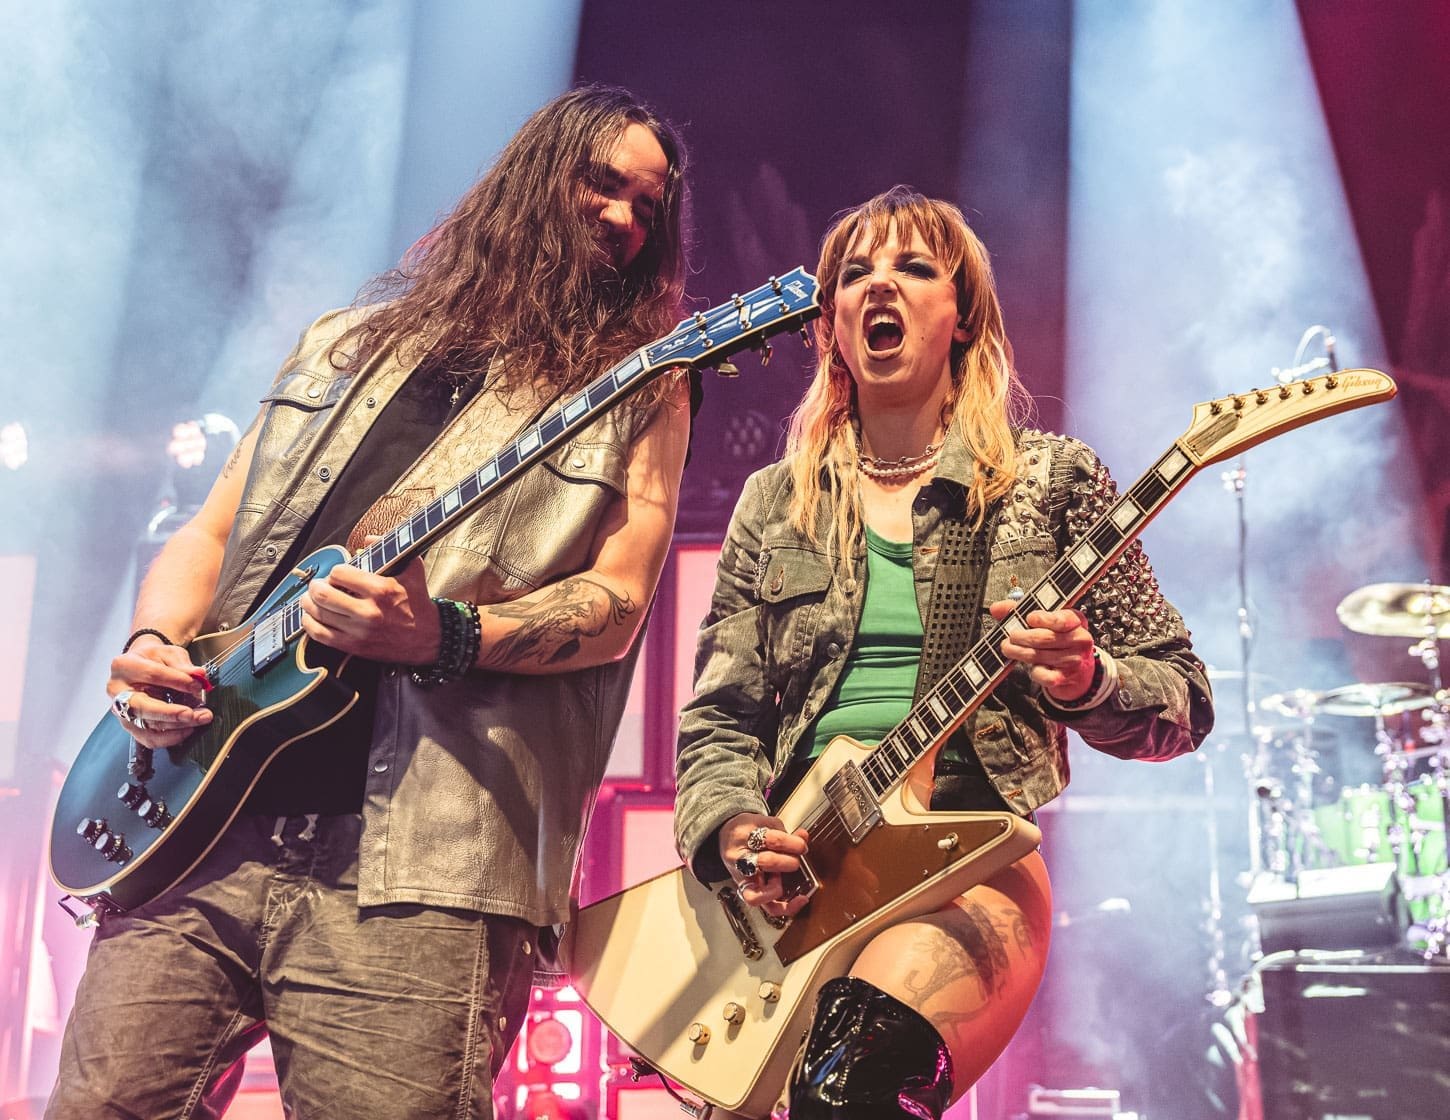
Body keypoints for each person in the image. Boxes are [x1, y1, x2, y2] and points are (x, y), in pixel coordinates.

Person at [48, 85, 693, 1119]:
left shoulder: (640, 386)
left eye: (648, 208)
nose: (623, 219)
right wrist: (155, 642)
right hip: (198, 833)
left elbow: (617, 600)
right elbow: (209, 535)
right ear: (534, 181)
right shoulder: (342, 343)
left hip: (418, 871)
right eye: (602, 185)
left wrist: (443, 631)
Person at [673, 186, 1214, 1119]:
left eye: (914, 268)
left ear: (961, 316)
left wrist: (1088, 682)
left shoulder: (1053, 481)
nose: (879, 286)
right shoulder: (774, 502)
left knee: (846, 1091)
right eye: (855, 273)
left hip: (968, 865)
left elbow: (1183, 699)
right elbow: (721, 722)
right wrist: (731, 833)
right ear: (832, 322)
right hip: (800, 877)